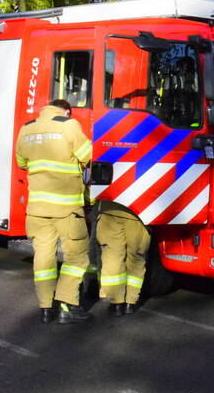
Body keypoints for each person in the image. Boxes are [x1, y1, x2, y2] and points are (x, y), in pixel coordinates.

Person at [15, 99, 94, 324]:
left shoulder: (27, 129)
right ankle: (67, 305)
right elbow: (88, 155)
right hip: (66, 208)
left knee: (43, 258)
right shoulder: (68, 125)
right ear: (66, 111)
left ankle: (46, 307)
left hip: (37, 208)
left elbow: (21, 162)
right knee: (76, 257)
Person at [95, 201, 151, 316]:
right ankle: (130, 302)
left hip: (111, 210)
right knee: (136, 258)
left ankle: (116, 303)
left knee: (112, 257)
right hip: (138, 212)